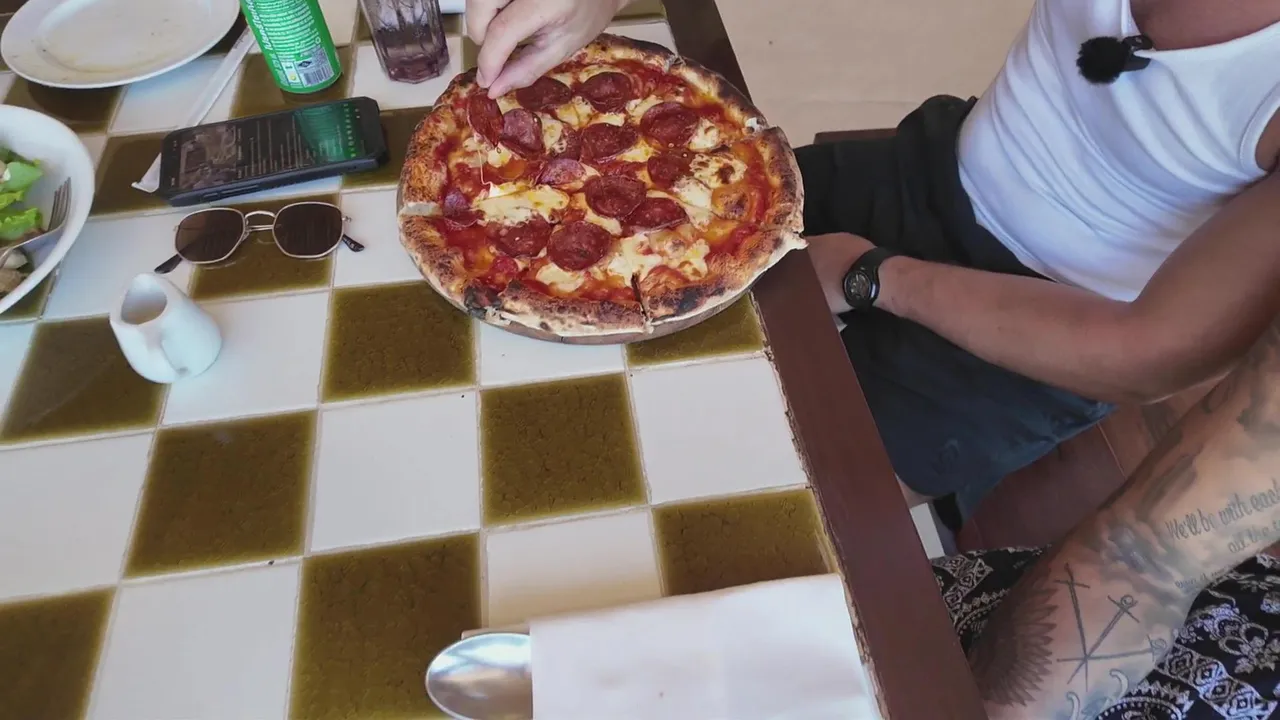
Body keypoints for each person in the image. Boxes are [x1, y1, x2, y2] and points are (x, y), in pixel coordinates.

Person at [465, 0, 1280, 522]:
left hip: (1053, 329)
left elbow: (1147, 355)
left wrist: (873, 277)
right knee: (587, 333)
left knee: (754, 503)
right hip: (930, 168)